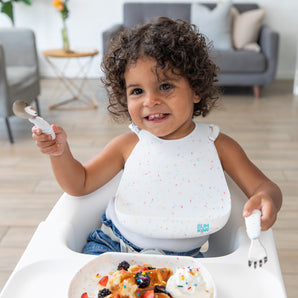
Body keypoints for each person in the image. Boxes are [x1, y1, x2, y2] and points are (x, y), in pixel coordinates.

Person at [32, 17, 282, 257]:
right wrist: (59, 152)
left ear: (195, 89)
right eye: (137, 91)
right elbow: (80, 184)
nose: (150, 101)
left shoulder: (218, 146)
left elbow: (266, 187)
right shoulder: (128, 145)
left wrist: (266, 198)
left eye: (165, 86)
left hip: (184, 262)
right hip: (112, 246)